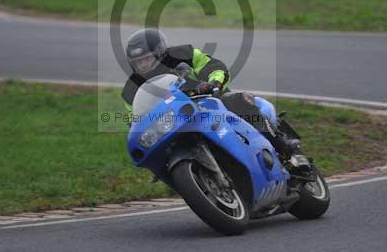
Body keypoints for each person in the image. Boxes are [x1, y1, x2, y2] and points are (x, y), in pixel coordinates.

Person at [121, 28, 301, 158]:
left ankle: (280, 142)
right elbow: (136, 120)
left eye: (147, 59)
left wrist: (213, 82)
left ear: (159, 53)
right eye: (139, 62)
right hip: (175, 122)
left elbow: (213, 66)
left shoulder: (184, 54)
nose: (143, 65)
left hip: (210, 102)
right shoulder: (131, 90)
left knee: (239, 100)